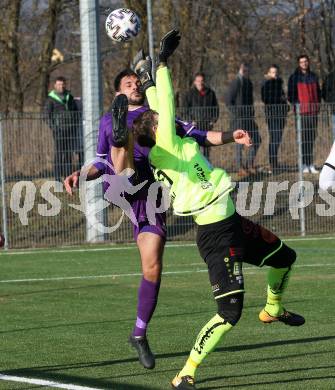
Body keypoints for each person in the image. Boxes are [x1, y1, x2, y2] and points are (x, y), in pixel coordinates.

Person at [116, 30, 304, 390]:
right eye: (156, 122)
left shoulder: (172, 140)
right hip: (216, 235)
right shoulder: (163, 147)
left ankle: (273, 310)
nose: (161, 119)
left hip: (231, 221)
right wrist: (162, 66)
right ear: (154, 133)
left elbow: (160, 109)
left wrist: (146, 75)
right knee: (229, 313)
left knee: (284, 257)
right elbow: (166, 104)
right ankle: (185, 373)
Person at [64, 63, 244, 371]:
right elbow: (99, 161)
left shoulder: (157, 118)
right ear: (118, 93)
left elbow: (199, 135)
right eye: (128, 84)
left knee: (153, 266)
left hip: (150, 196)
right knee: (122, 157)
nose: (135, 86)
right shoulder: (108, 120)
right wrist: (82, 174)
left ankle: (139, 334)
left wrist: (231, 136)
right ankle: (125, 139)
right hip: (121, 182)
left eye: (137, 82)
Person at [225, 63, 261, 178]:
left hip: (249, 119)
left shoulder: (249, 83)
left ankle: (249, 165)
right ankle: (240, 168)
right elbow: (228, 101)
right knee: (239, 145)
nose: (246, 72)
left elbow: (250, 101)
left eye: (247, 70)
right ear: (241, 70)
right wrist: (237, 113)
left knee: (256, 140)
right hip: (238, 120)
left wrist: (251, 114)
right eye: (244, 70)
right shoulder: (236, 82)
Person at [288, 55, 321, 174]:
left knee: (311, 138)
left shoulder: (313, 76)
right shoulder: (294, 77)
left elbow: (318, 92)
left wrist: (317, 106)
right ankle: (303, 164)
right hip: (301, 113)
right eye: (302, 62)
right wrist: (297, 105)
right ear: (299, 63)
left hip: (313, 113)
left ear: (308, 62)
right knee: (303, 139)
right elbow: (290, 95)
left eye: (306, 61)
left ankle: (310, 164)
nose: (304, 63)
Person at [45, 76, 80, 181]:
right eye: (59, 84)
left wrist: (75, 125)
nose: (61, 86)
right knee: (59, 154)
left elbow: (75, 112)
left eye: (63, 84)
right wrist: (54, 128)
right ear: (55, 85)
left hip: (70, 131)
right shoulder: (50, 99)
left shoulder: (70, 97)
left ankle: (67, 178)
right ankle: (57, 178)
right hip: (58, 131)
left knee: (69, 154)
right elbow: (46, 116)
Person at [183, 72, 219, 159]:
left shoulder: (211, 93)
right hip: (194, 126)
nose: (200, 83)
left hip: (207, 125)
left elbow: (216, 108)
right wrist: (191, 121)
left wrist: (213, 120)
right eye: (198, 81)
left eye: (202, 81)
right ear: (195, 82)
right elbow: (184, 109)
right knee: (195, 147)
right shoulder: (189, 94)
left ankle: (207, 165)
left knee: (207, 148)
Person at [261, 65, 288, 173]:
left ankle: (275, 163)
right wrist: (279, 99)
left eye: (276, 72)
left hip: (281, 115)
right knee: (274, 139)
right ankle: (273, 164)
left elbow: (283, 98)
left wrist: (285, 105)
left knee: (278, 139)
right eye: (272, 72)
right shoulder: (266, 84)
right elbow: (266, 99)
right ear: (268, 73)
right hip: (272, 116)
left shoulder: (280, 84)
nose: (274, 74)